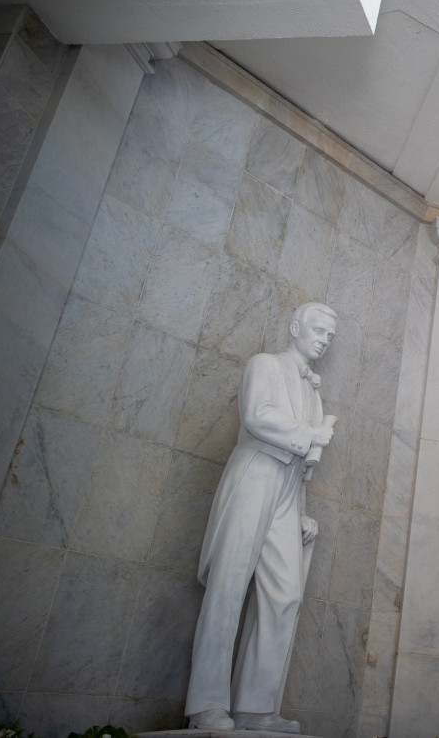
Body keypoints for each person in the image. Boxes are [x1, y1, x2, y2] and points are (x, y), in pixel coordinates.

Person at [186, 302, 338, 732]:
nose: (325, 340)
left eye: (330, 336)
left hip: (288, 489)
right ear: (295, 327)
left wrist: (300, 512)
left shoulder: (314, 392)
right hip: (255, 474)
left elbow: (301, 463)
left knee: (285, 594)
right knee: (228, 586)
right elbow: (256, 415)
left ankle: (255, 706)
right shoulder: (265, 364)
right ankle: (207, 705)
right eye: (319, 330)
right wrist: (310, 433)